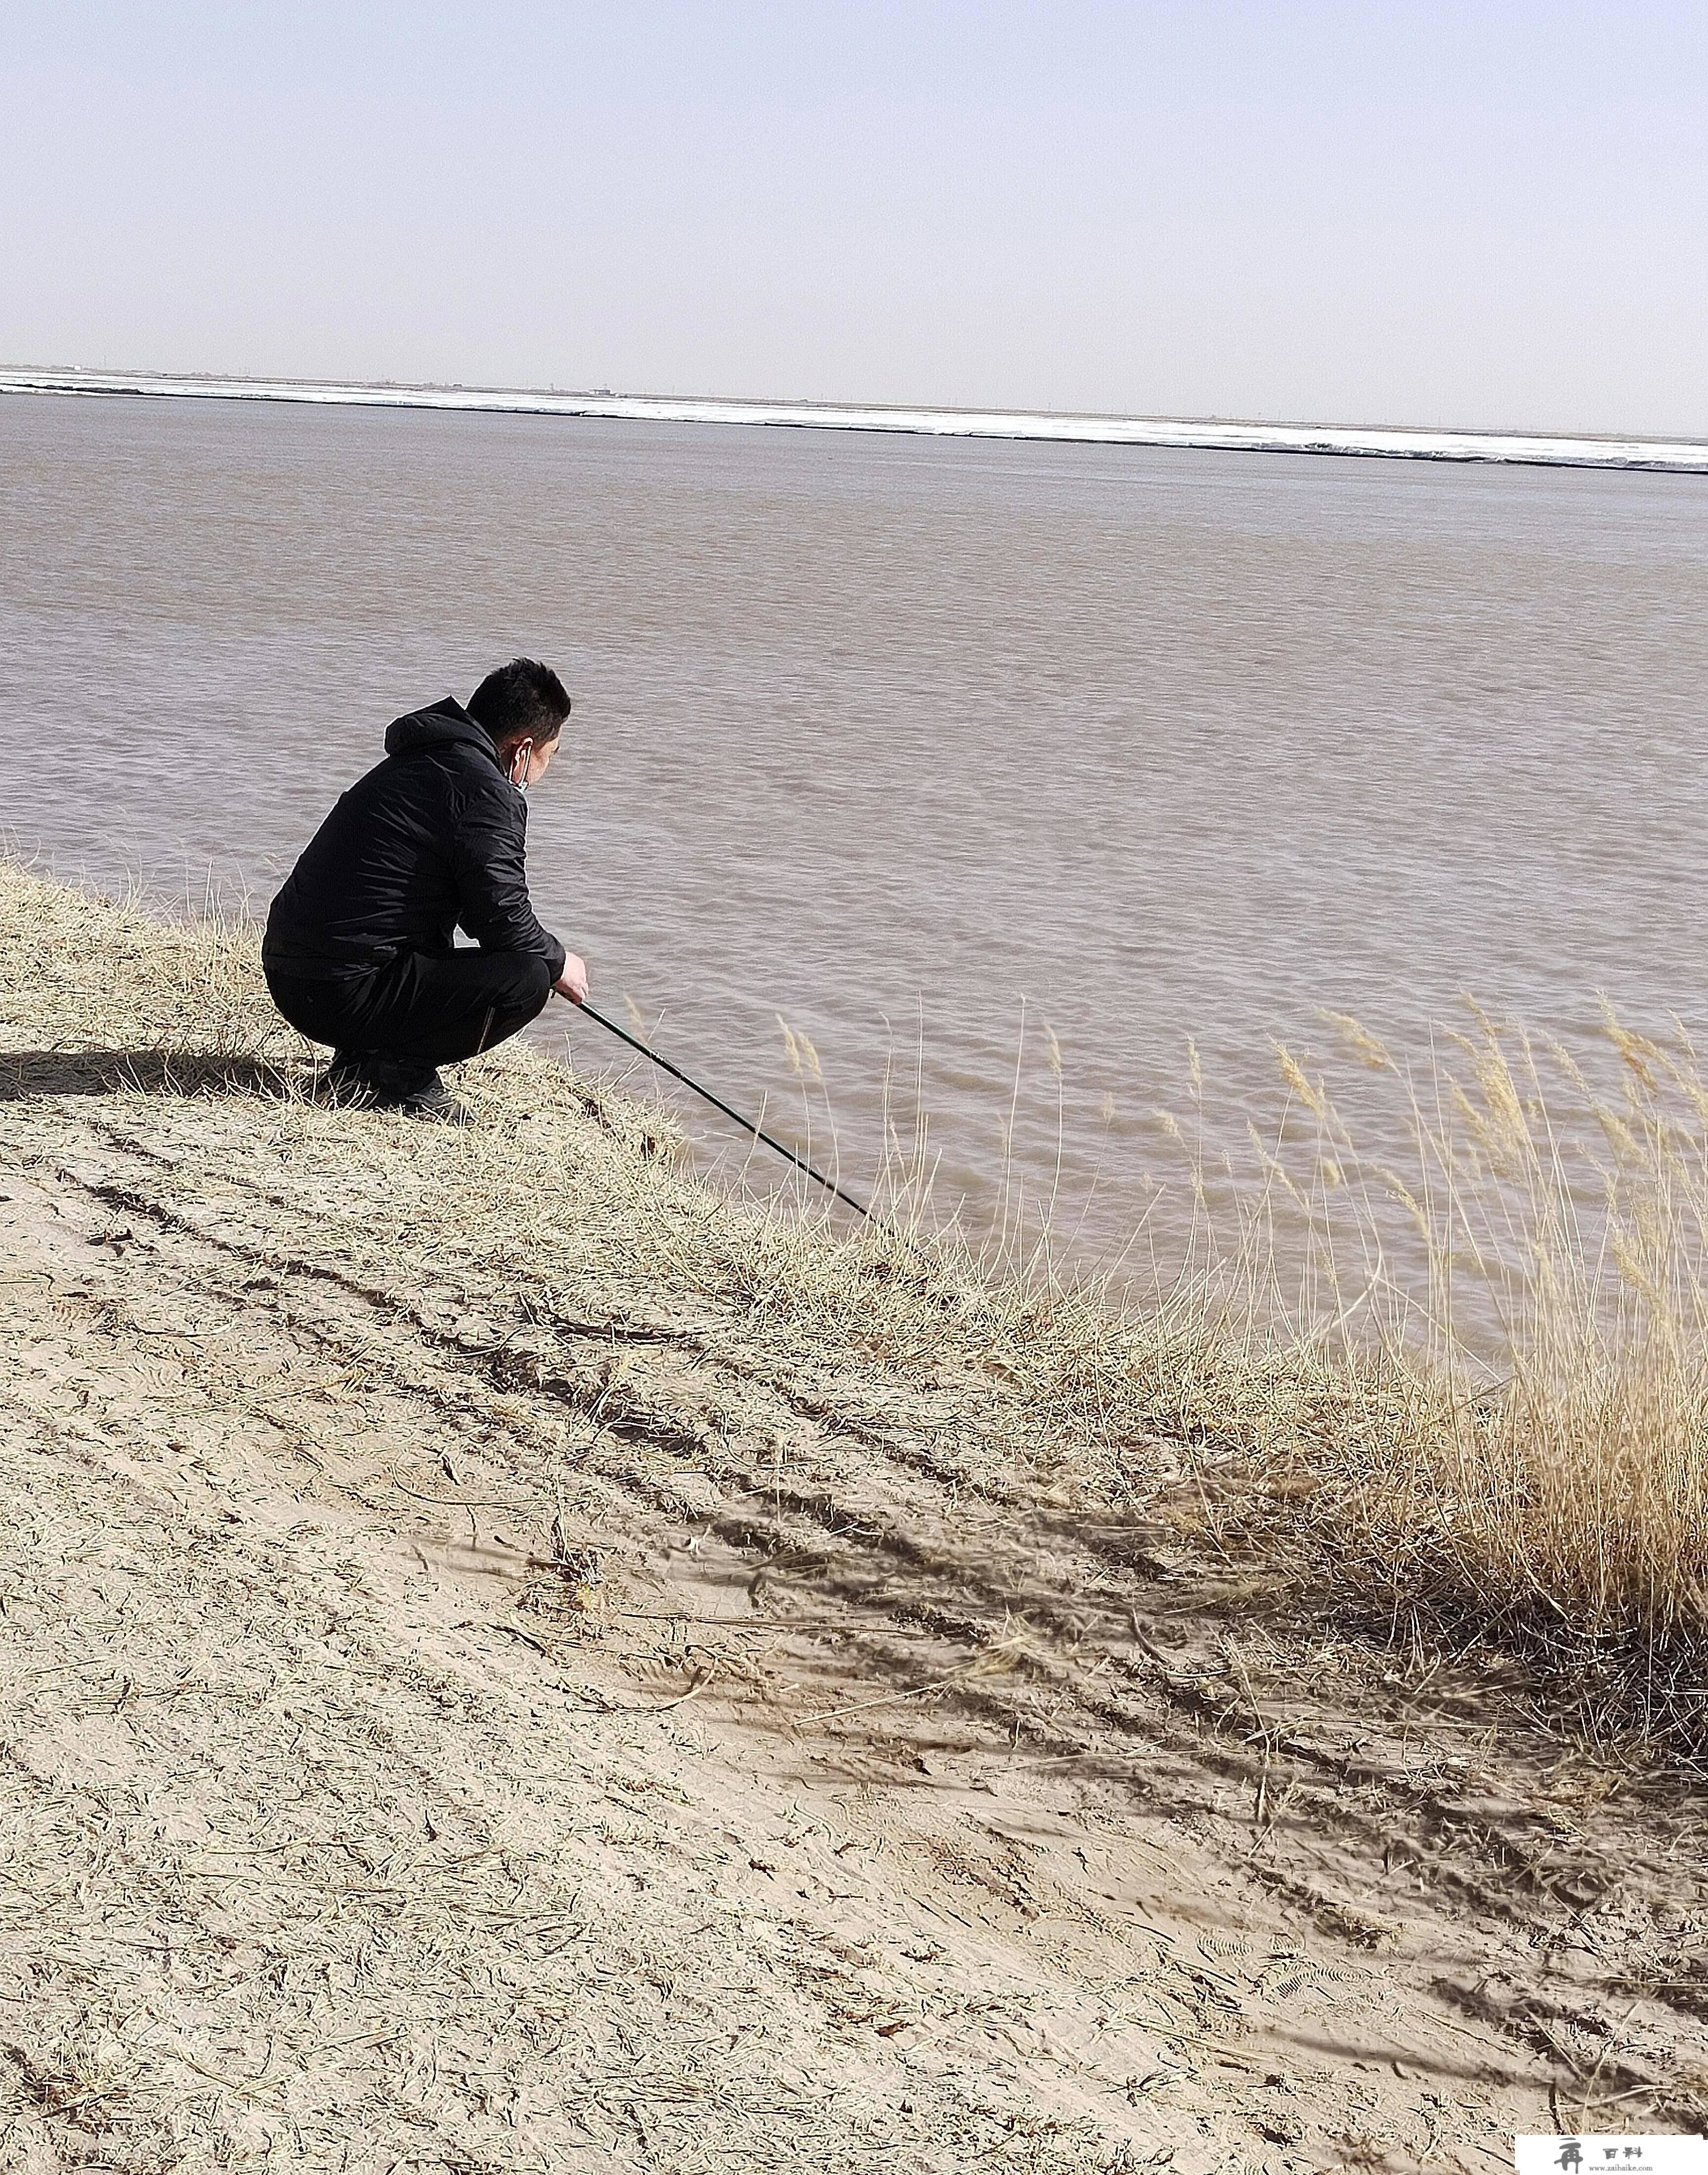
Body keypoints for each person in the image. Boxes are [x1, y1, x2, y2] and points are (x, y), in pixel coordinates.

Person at [262, 657, 589, 1121]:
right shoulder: (486, 792)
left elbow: (480, 910)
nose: (545, 769)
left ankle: (363, 1060)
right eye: (549, 756)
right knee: (527, 978)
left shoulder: (426, 758)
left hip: (295, 973)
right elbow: (504, 923)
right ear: (523, 749)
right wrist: (560, 963)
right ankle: (396, 1075)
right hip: (337, 991)